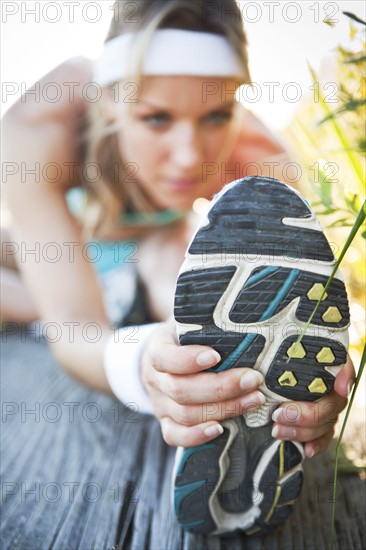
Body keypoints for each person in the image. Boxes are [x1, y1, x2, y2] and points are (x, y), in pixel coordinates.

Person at [2, 0, 354, 537]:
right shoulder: (37, 128)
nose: (189, 156)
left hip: (145, 260)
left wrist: (319, 363)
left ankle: (195, 351)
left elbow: (303, 291)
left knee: (175, 250)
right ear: (109, 100)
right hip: (52, 253)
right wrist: (140, 363)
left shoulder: (260, 161)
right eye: (155, 117)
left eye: (216, 116)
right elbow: (73, 325)